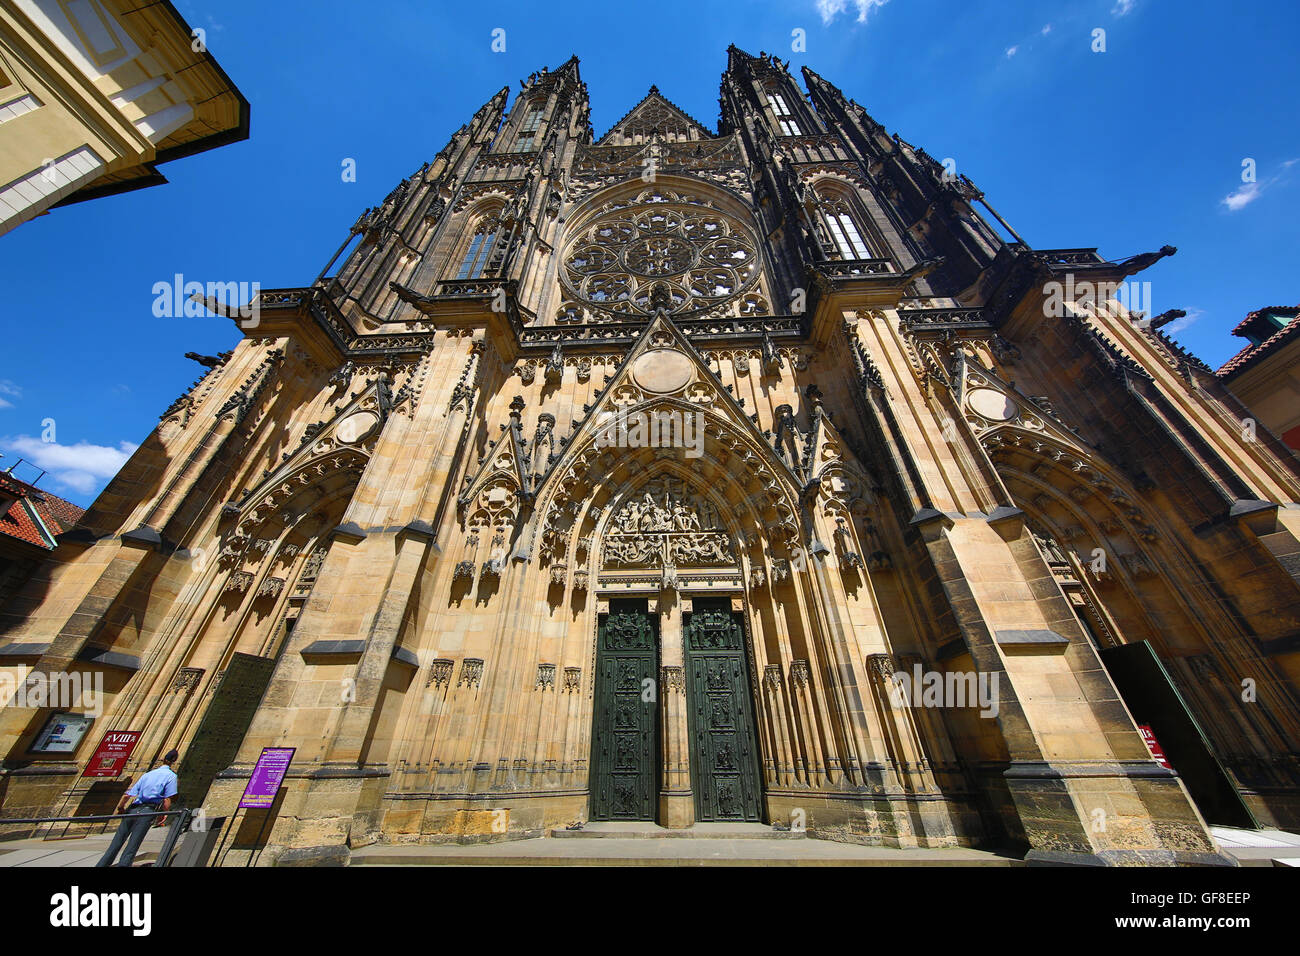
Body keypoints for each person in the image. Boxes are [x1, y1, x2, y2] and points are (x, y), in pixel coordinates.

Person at [95, 749, 180, 867]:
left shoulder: (147, 774)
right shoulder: (171, 776)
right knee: (133, 845)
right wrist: (164, 814)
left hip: (132, 809)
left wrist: (120, 808)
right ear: (174, 761)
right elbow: (167, 799)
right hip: (147, 812)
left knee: (116, 843)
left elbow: (127, 795)